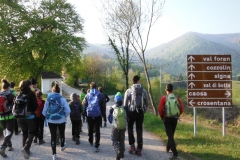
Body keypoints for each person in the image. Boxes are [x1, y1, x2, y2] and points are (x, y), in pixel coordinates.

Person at [42, 83, 70, 160]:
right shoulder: (62, 99)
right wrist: (64, 116)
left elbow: (44, 111)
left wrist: (47, 117)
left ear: (52, 91)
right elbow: (68, 110)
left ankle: (54, 154)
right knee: (62, 133)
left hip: (51, 120)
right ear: (59, 91)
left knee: (53, 136)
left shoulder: (48, 99)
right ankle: (62, 146)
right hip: (61, 120)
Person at [123, 75, 148, 156]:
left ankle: (132, 146)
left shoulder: (129, 91)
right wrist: (143, 110)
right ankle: (139, 149)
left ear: (132, 81)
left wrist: (127, 114)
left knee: (130, 129)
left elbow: (125, 104)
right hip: (140, 112)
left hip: (131, 112)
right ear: (138, 81)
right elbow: (147, 102)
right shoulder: (143, 90)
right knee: (139, 130)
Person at [158, 83, 184, 160]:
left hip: (167, 118)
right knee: (171, 134)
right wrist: (177, 115)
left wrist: (162, 117)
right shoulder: (177, 98)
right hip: (175, 118)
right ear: (172, 89)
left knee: (170, 136)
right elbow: (181, 109)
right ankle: (168, 147)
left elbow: (160, 109)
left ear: (166, 90)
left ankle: (175, 154)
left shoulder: (164, 98)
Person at [17, 80, 38, 159]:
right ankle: (26, 148)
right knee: (32, 132)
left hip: (20, 117)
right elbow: (35, 106)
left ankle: (26, 149)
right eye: (31, 85)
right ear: (29, 86)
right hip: (29, 116)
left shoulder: (18, 94)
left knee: (24, 133)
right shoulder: (31, 94)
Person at [83, 82, 106, 152]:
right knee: (97, 129)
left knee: (90, 128)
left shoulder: (87, 95)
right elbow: (103, 106)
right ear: (96, 87)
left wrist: (85, 114)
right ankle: (96, 145)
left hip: (90, 114)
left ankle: (90, 140)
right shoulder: (101, 95)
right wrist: (102, 114)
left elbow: (85, 105)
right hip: (98, 115)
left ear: (90, 87)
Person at [108, 92, 127, 160]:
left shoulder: (112, 108)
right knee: (122, 138)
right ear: (121, 100)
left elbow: (109, 118)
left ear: (115, 100)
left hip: (115, 126)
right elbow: (127, 117)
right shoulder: (124, 107)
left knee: (114, 138)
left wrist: (112, 122)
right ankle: (122, 153)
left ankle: (118, 149)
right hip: (123, 126)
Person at [0, 79, 16, 157]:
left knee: (5, 131)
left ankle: (9, 145)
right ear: (9, 87)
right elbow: (14, 106)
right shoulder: (11, 95)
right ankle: (3, 147)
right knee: (9, 132)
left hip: (1, 117)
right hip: (10, 116)